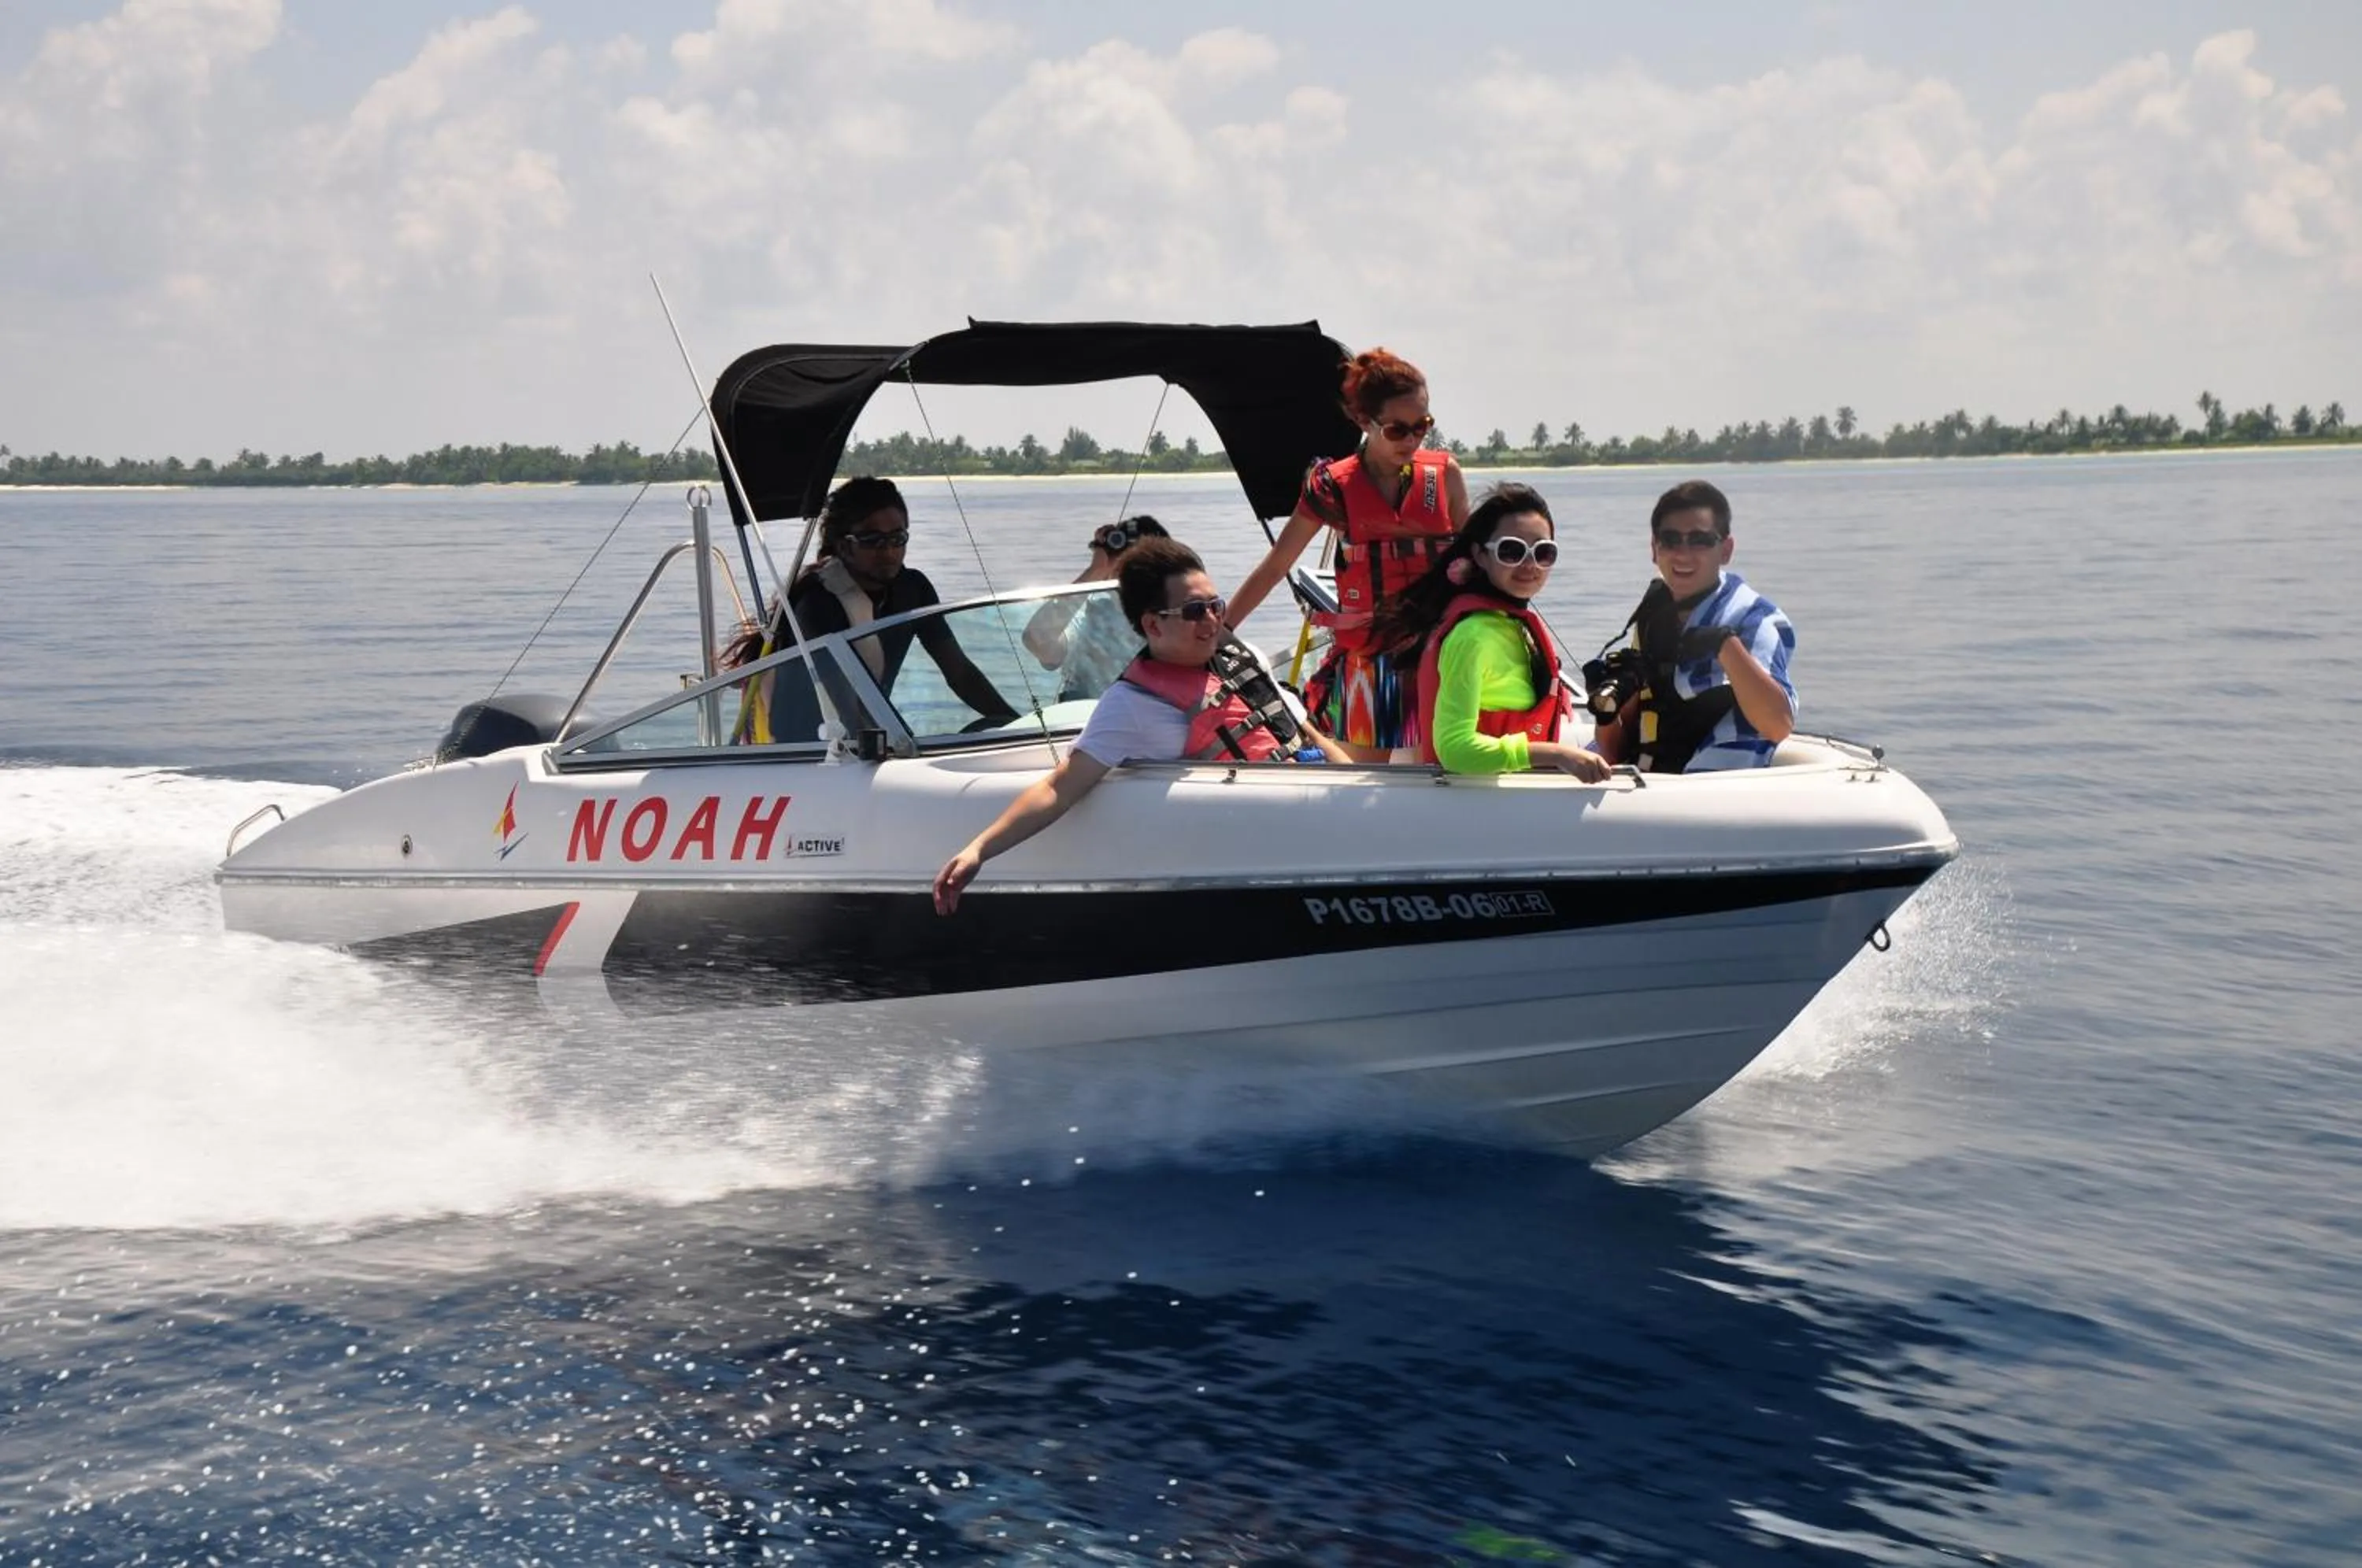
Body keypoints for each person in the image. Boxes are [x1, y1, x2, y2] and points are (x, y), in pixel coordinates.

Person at [933, 538, 1349, 914]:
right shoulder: (1131, 706)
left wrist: (1368, 785)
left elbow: (1307, 734)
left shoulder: (1242, 657)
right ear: (1152, 625)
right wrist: (979, 850)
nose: (1211, 621)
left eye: (1215, 606)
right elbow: (1061, 786)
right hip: (1266, 840)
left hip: (1324, 814)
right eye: (1193, 612)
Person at [1224, 347, 1470, 760]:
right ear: (1363, 422)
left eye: (1422, 427)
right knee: (1365, 779)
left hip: (1444, 649)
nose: (1411, 440)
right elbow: (1276, 565)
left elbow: (1479, 561)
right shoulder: (1333, 487)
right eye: (1397, 430)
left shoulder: (1444, 475)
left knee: (1445, 763)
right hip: (1372, 658)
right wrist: (1223, 630)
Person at [725, 475, 1014, 743]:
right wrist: (895, 751)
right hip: (806, 749)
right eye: (872, 541)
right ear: (845, 546)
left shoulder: (914, 589)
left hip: (868, 736)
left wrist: (1016, 723)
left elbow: (960, 672)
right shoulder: (817, 601)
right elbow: (843, 698)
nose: (888, 552)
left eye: (897, 539)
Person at [1368, 483, 1610, 781]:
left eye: (1543, 552)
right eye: (1512, 551)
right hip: (1480, 804)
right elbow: (1454, 748)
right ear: (1480, 556)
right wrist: (1557, 754)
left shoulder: (1510, 625)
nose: (1530, 565)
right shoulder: (1472, 636)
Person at [1590, 480, 1796, 773]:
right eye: (1670, 539)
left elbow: (1778, 725)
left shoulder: (1755, 620)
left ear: (1726, 550)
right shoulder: (1653, 618)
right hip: (1648, 786)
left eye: (1700, 540)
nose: (1683, 553)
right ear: (1654, 549)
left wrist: (1726, 647)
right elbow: (1613, 750)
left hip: (1713, 795)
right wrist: (1607, 707)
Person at [1020, 514, 1170, 701]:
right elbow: (1036, 639)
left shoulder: (1180, 616)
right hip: (1084, 724)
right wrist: (1095, 572)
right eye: (1124, 560)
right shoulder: (1088, 617)